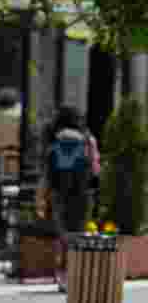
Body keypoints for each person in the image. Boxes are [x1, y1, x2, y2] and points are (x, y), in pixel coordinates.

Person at [40, 105, 101, 290]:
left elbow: (47, 173)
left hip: (59, 193)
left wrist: (42, 196)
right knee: (79, 234)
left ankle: (62, 275)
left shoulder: (53, 140)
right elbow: (95, 169)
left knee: (63, 236)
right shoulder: (88, 140)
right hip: (82, 193)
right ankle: (77, 275)